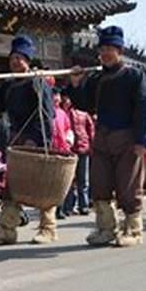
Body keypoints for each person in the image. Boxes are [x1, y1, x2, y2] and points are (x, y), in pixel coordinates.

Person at [67, 26, 146, 248]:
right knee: (100, 183)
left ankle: (133, 229)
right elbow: (84, 104)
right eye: (102, 48)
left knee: (129, 185)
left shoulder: (134, 75)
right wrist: (76, 84)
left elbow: (144, 108)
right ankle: (106, 228)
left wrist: (142, 141)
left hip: (127, 137)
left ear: (120, 50)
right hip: (102, 138)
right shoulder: (97, 78)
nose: (105, 53)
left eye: (109, 49)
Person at [0, 35, 56, 245]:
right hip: (15, 140)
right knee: (11, 186)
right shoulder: (9, 85)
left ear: (28, 60)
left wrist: (37, 140)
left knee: (42, 186)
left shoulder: (37, 82)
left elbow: (46, 113)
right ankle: (7, 228)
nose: (15, 62)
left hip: (35, 140)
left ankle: (48, 228)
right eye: (12, 57)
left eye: (20, 58)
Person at [59, 88, 95, 217]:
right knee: (69, 180)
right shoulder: (62, 113)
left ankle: (83, 205)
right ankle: (68, 206)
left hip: (83, 148)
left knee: (83, 180)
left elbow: (90, 130)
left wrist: (91, 146)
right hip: (69, 150)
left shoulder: (83, 113)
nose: (66, 100)